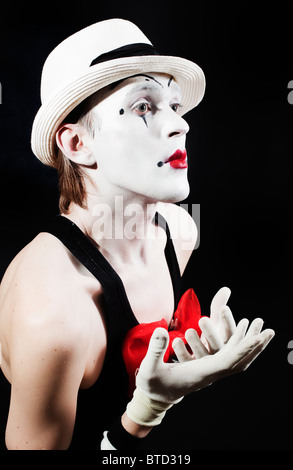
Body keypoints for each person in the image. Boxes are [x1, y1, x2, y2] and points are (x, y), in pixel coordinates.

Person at [0, 19, 274, 450]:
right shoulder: (54, 313)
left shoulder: (179, 231)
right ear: (76, 145)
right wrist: (145, 413)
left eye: (174, 106)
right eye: (144, 106)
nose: (180, 125)